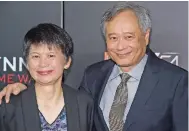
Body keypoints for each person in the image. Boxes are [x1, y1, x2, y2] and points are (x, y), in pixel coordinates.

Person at [0, 2, 188, 131]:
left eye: (129, 37)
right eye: (113, 38)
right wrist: (24, 89)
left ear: (145, 36)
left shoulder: (176, 81)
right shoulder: (94, 75)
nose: (120, 46)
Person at [0, 23, 94, 131]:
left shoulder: (84, 103)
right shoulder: (9, 105)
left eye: (50, 55)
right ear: (26, 63)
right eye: (36, 56)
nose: (43, 63)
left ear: (67, 62)